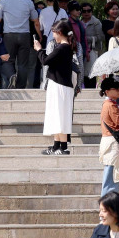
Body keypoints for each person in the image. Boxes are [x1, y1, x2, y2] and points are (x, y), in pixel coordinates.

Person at [36, 19, 76, 155]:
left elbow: (45, 60)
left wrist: (38, 49)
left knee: (59, 114)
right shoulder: (66, 47)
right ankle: (57, 145)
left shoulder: (62, 47)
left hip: (59, 86)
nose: (53, 36)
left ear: (59, 32)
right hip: (60, 85)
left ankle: (61, 146)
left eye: (54, 33)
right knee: (58, 114)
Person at [0, 0, 41, 89]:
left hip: (8, 35)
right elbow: (35, 20)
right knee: (23, 64)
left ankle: (11, 77)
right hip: (24, 35)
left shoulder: (3, 2)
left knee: (7, 61)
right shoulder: (28, 2)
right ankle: (20, 86)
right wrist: (39, 35)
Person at [98, 78, 119, 196]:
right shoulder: (109, 105)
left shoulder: (110, 104)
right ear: (107, 91)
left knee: (113, 180)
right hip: (112, 145)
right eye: (116, 88)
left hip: (112, 144)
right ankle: (106, 212)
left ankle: (108, 211)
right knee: (112, 181)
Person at [66, 0, 89, 89]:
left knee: (80, 70)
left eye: (79, 9)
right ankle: (73, 86)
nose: (79, 11)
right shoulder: (68, 22)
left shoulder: (80, 22)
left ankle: (79, 86)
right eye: (76, 9)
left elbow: (84, 38)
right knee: (73, 70)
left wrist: (86, 51)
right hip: (72, 50)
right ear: (70, 11)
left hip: (81, 49)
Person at [82, 3, 106, 86]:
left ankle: (91, 91)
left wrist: (88, 39)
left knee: (90, 73)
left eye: (88, 11)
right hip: (82, 50)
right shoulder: (80, 22)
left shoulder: (96, 22)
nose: (86, 13)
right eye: (84, 11)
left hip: (92, 50)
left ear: (92, 11)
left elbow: (101, 37)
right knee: (83, 73)